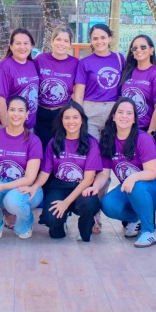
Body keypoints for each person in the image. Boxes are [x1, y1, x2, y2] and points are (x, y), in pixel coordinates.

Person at [94, 98, 156, 248]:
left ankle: (149, 232)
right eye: (120, 112)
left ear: (135, 119)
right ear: (113, 116)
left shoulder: (143, 139)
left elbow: (152, 172)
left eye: (129, 113)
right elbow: (104, 174)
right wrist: (95, 188)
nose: (124, 116)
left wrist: (133, 177)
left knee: (137, 186)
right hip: (131, 188)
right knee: (108, 205)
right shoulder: (108, 140)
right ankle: (135, 218)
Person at [28, 101, 102, 242]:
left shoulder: (91, 143)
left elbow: (88, 179)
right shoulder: (54, 142)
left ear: (82, 120)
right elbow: (45, 172)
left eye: (75, 117)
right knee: (52, 223)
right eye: (67, 117)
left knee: (89, 204)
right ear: (61, 120)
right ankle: (62, 222)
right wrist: (34, 187)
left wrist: (65, 202)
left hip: (82, 187)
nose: (71, 121)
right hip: (60, 186)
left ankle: (85, 227)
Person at [0, 96, 44, 240]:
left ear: (27, 115)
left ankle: (26, 222)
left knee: (12, 201)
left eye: (20, 111)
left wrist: (2, 187)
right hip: (4, 185)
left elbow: (29, 178)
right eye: (12, 110)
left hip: (28, 189)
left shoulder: (33, 140)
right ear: (6, 112)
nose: (16, 114)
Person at [72, 24, 125, 140]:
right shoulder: (85, 62)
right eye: (95, 39)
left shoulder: (119, 59)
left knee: (110, 149)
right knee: (92, 148)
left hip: (113, 110)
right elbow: (79, 94)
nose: (99, 41)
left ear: (110, 38)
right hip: (90, 110)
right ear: (90, 41)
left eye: (103, 37)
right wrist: (79, 115)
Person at [119, 34, 156, 150]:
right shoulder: (127, 72)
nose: (138, 50)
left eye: (143, 47)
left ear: (151, 50)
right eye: (135, 48)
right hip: (128, 129)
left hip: (148, 129)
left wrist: (150, 133)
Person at [34, 26, 79, 152]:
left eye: (66, 41)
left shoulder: (75, 63)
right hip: (41, 114)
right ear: (52, 41)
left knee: (59, 152)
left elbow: (79, 90)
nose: (62, 44)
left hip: (62, 114)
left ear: (70, 44)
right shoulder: (40, 59)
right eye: (58, 39)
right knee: (42, 152)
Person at [0, 28, 40, 129]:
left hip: (28, 125)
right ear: (11, 46)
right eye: (18, 43)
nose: (22, 47)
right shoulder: (5, 66)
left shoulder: (32, 64)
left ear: (32, 46)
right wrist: (8, 128)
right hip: (8, 126)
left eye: (26, 43)